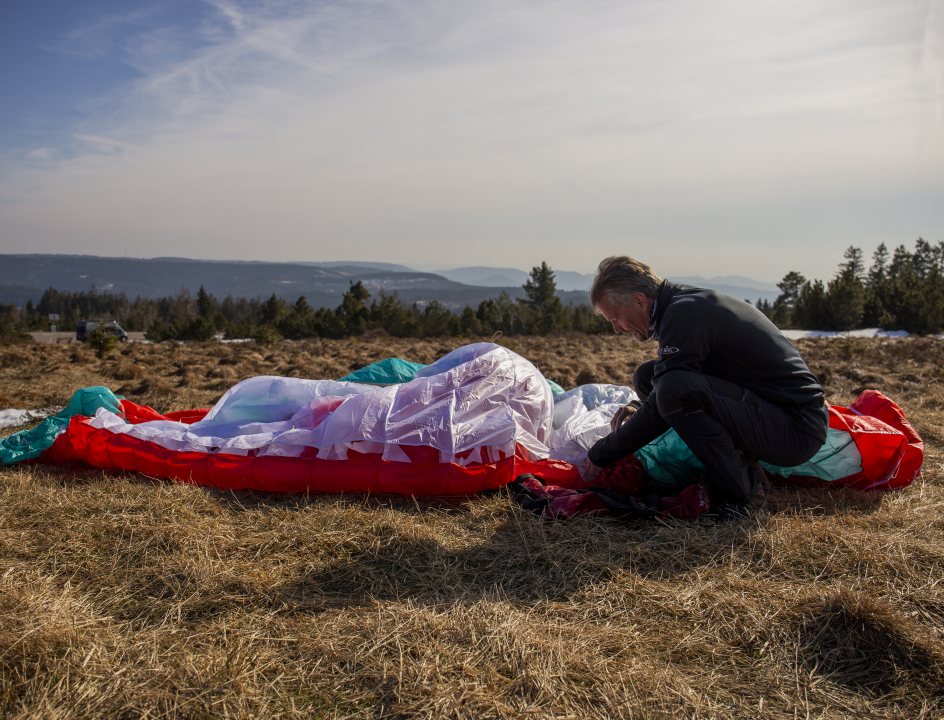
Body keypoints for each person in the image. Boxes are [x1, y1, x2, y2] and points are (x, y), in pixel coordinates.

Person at [584, 256, 829, 516]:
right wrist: (638, 406)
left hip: (795, 429)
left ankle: (742, 495)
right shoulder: (682, 305)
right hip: (773, 415)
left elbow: (669, 396)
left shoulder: (684, 315)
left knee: (672, 388)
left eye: (616, 318)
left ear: (640, 300)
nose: (616, 329)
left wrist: (603, 452)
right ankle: (741, 470)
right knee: (648, 375)